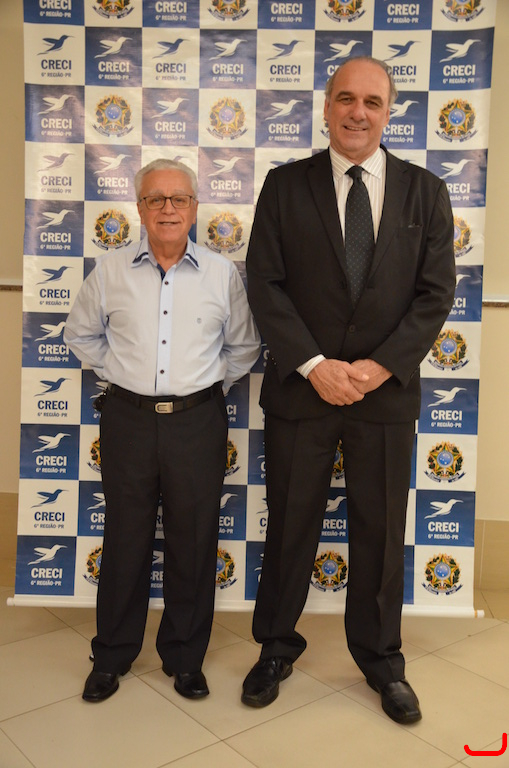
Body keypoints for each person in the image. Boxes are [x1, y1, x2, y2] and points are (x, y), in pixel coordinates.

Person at [242, 57, 455, 724]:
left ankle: (382, 661)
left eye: (371, 101)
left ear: (389, 111)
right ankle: (275, 649)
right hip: (302, 392)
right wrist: (314, 364)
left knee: (380, 533)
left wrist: (380, 366)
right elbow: (264, 282)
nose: (357, 112)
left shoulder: (426, 191)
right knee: (290, 526)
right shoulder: (284, 185)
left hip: (384, 396)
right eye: (345, 99)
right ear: (326, 106)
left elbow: (435, 293)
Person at [64, 158, 260, 703]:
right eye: (156, 199)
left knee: (193, 542)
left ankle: (185, 658)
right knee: (124, 539)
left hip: (198, 422)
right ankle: (111, 656)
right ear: (140, 208)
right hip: (127, 420)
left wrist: (202, 386)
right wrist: (122, 375)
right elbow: (80, 335)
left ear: (194, 208)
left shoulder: (221, 273)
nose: (167, 209)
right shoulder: (110, 271)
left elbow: (244, 346)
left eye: (178, 199)